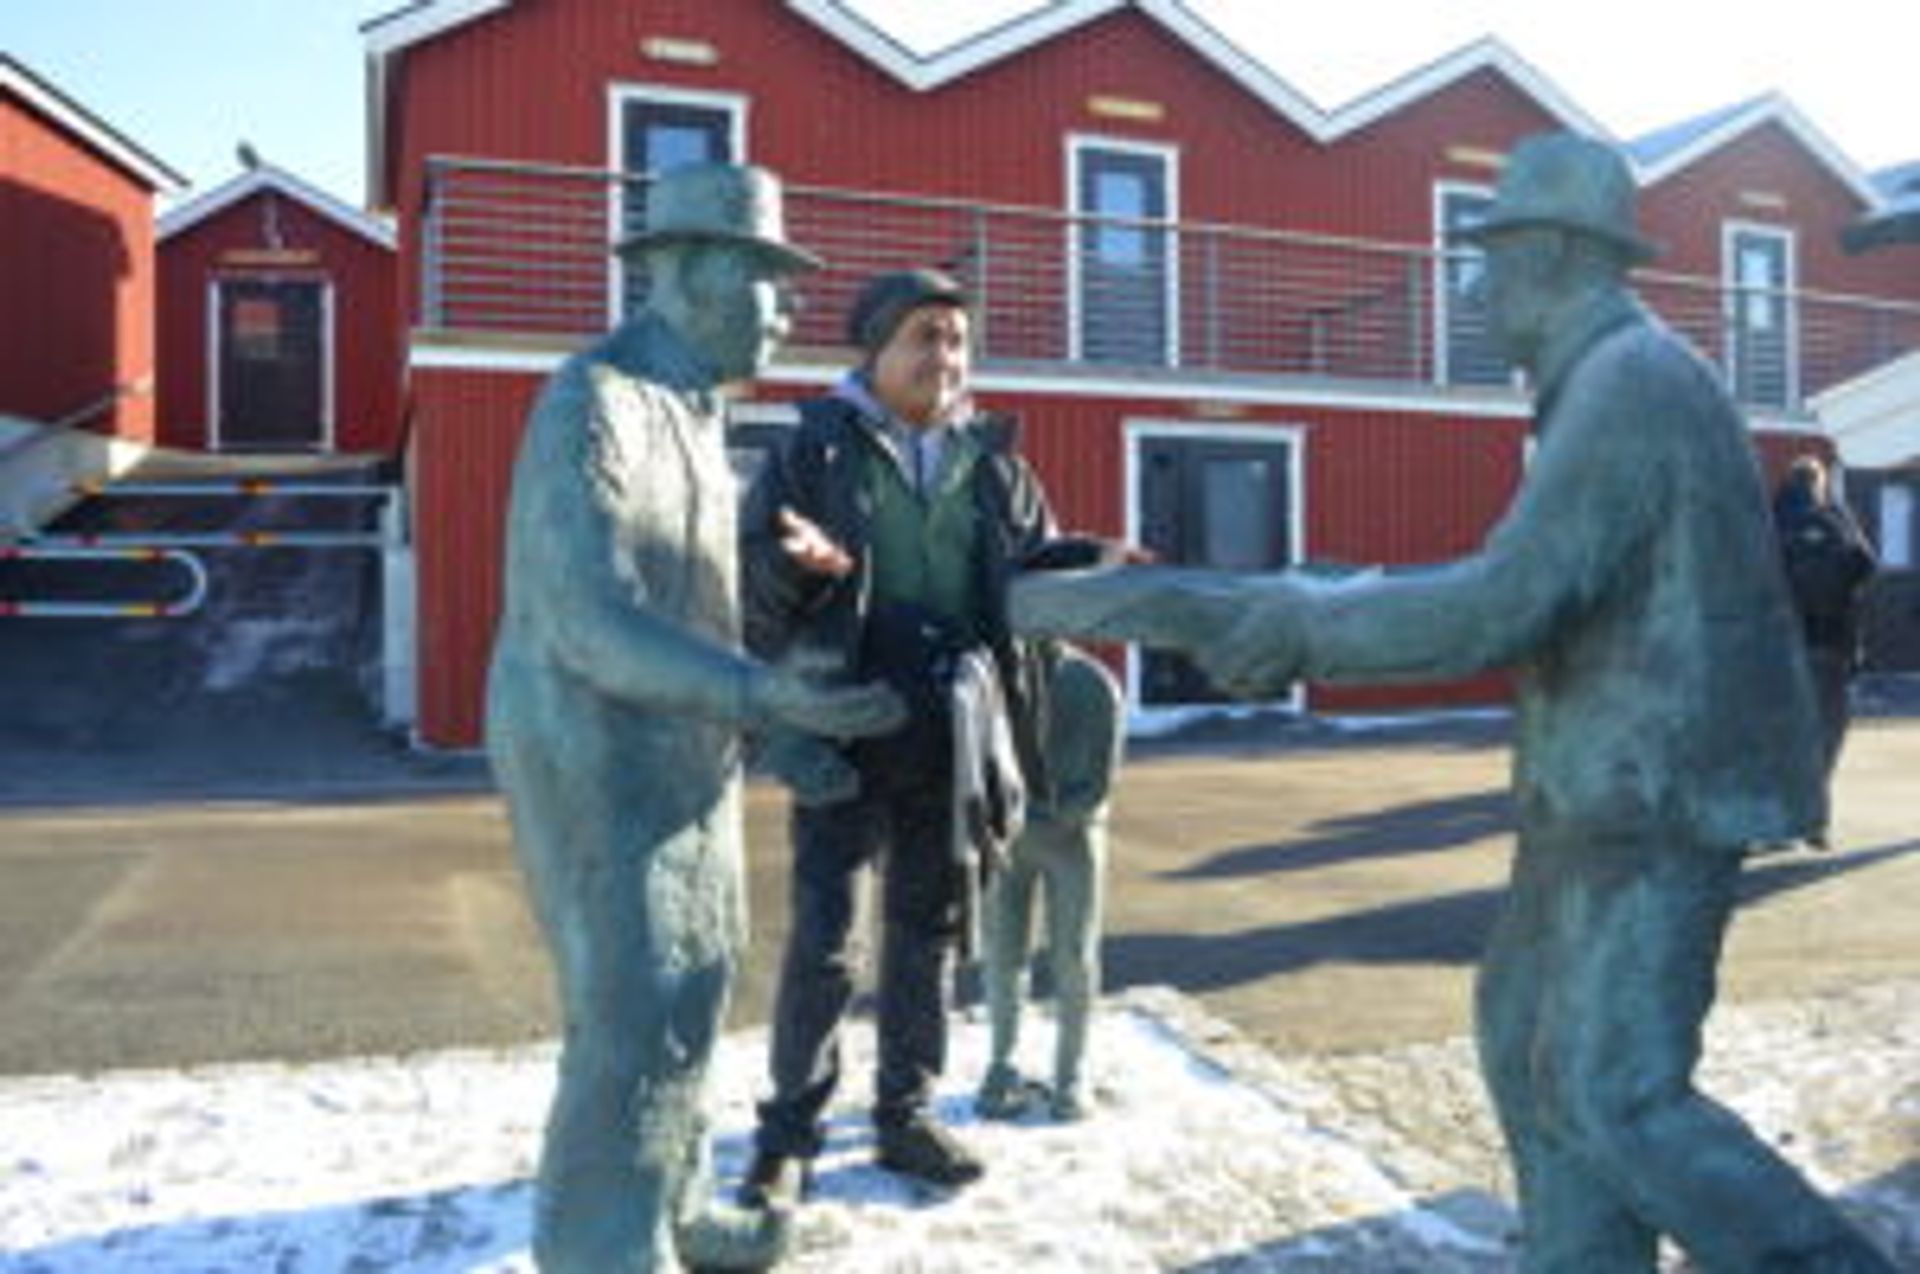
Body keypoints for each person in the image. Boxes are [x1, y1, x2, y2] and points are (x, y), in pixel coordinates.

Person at [1014, 133, 1895, 1271]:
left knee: (1613, 1088)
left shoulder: (1632, 383)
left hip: (1656, 790)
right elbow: (1553, 584)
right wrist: (1347, 594)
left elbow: (1507, 601)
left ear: (1561, 256)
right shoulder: (1604, 379)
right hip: (1599, 779)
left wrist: (1294, 621)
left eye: (1492, 257)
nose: (1471, 285)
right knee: (1520, 1030)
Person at [486, 164, 903, 1274]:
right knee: (629, 1007)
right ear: (689, 273)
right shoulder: (594, 399)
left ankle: (674, 1204)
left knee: (697, 975)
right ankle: (600, 1248)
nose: (792, 307)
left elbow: (699, 612)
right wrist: (761, 694)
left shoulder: (696, 410)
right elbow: (583, 617)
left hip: (688, 746)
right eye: (769, 279)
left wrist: (774, 731)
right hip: (590, 750)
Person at [737, 268, 1079, 1205]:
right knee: (824, 939)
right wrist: (794, 568)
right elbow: (751, 585)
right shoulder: (816, 448)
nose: (946, 357)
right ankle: (789, 1136)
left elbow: (1027, 570)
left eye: (958, 339)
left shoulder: (996, 458)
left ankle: (906, 1115)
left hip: (956, 726)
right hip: (847, 724)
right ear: (876, 351)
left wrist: (1085, 562)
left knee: (927, 931)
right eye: (926, 337)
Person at [976, 644, 1123, 1123]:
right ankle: (1002, 1064)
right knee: (1001, 954)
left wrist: (1056, 815)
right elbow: (978, 760)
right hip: (1009, 838)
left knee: (1074, 958)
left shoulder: (1094, 683)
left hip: (1073, 839)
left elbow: (1100, 781)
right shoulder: (993, 679)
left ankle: (1071, 1072)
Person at [1773, 452, 1879, 835]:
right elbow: (1867, 565)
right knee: (1828, 732)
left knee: (1782, 733)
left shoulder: (1773, 519)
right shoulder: (1835, 519)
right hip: (1832, 644)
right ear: (1819, 483)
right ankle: (1812, 818)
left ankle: (1775, 815)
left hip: (1780, 650)